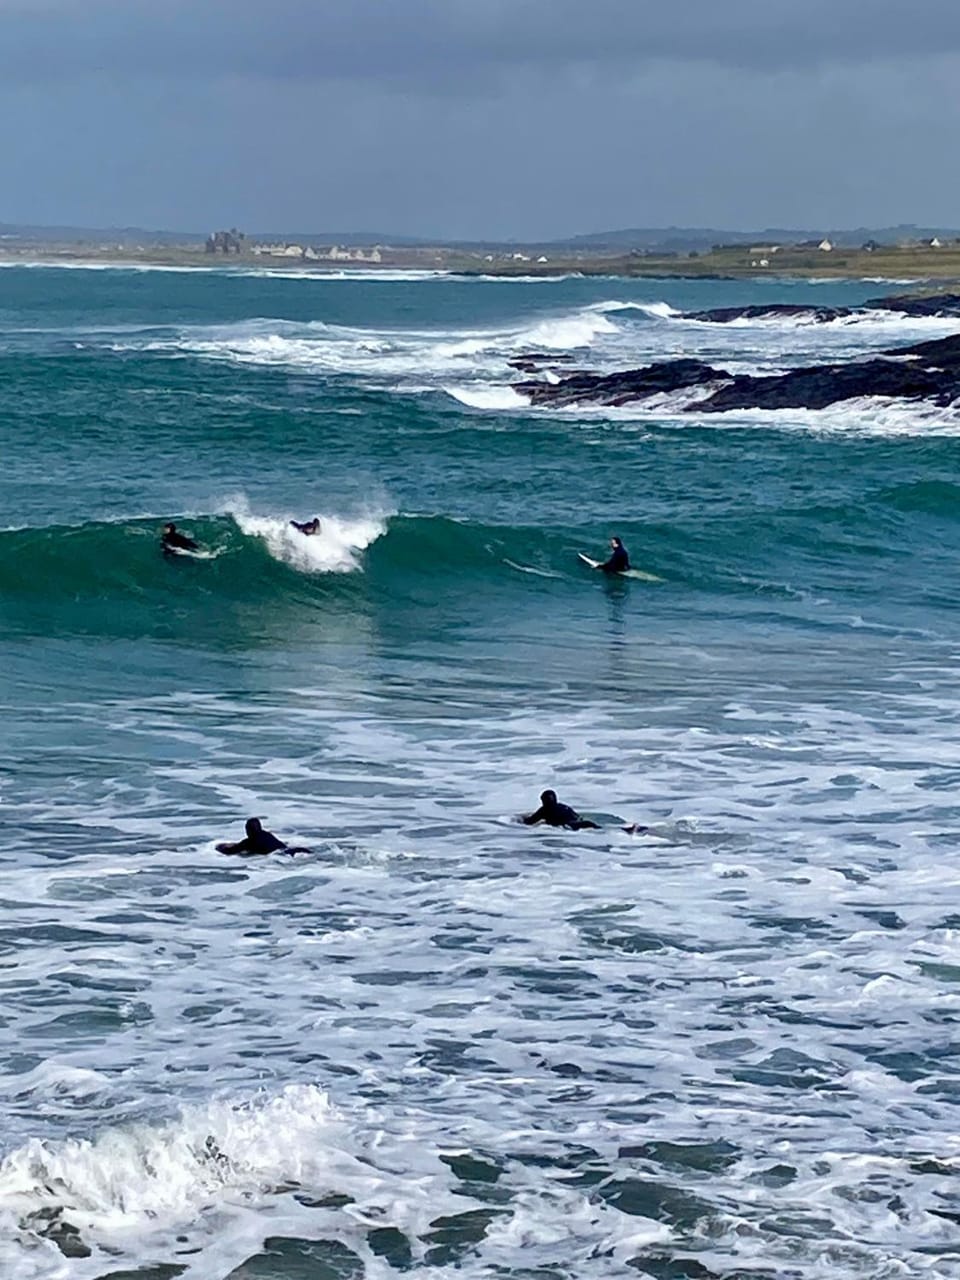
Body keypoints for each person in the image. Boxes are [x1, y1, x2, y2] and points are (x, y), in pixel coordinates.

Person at [216, 816, 309, 856]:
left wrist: (218, 846)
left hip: (281, 855)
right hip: (289, 850)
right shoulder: (267, 834)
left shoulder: (249, 842)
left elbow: (229, 852)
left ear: (248, 830)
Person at [522, 790, 600, 831]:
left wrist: (520, 818)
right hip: (580, 822)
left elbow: (529, 822)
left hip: (567, 826)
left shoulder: (544, 810)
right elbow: (577, 816)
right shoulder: (563, 806)